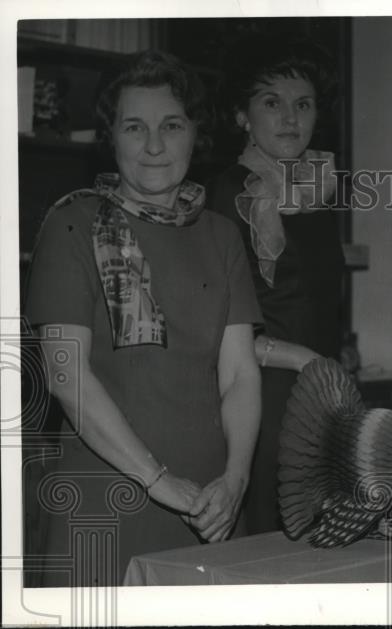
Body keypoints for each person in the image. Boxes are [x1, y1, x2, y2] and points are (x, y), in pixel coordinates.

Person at [25, 50, 262, 586]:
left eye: (171, 125)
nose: (154, 145)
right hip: (107, 505)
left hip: (213, 508)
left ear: (194, 134)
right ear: (111, 135)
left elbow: (240, 374)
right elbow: (67, 378)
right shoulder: (71, 224)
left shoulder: (222, 235)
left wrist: (236, 478)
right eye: (135, 127)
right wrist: (159, 481)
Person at [207, 37, 344, 534]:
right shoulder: (230, 192)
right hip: (262, 397)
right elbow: (221, 323)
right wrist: (307, 361)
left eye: (302, 105)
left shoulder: (317, 191)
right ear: (242, 116)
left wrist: (329, 372)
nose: (290, 118)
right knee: (272, 538)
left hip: (319, 388)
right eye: (272, 103)